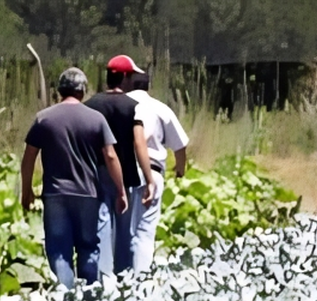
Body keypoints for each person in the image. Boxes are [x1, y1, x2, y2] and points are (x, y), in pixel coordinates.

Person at [20, 67, 127, 289]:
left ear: (60, 90)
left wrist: (27, 190)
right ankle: (88, 295)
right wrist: (121, 190)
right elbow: (110, 156)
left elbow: (29, 157)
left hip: (55, 193)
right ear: (83, 91)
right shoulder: (96, 119)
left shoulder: (44, 118)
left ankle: (65, 294)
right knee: (88, 246)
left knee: (59, 248)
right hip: (88, 193)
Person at [84, 55, 155, 277]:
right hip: (125, 173)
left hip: (96, 171)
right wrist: (149, 179)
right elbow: (139, 142)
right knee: (125, 229)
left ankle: (103, 275)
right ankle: (123, 275)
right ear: (124, 77)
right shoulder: (134, 107)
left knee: (101, 222)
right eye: (131, 76)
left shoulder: (90, 105)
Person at [125, 70, 190, 273]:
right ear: (147, 86)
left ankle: (114, 281)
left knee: (119, 231)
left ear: (127, 83)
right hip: (151, 172)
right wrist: (180, 170)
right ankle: (139, 281)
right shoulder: (160, 108)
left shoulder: (118, 105)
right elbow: (179, 146)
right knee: (143, 231)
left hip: (119, 172)